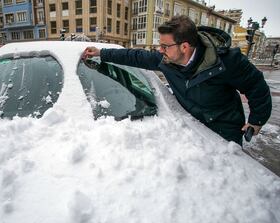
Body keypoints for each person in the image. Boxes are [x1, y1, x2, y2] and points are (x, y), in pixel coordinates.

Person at [82, 16, 272, 146]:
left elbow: (256, 85)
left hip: (224, 128)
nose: (160, 50)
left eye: (164, 46)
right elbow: (135, 56)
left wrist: (257, 120)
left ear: (185, 46)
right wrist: (101, 53)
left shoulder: (227, 61)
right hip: (192, 126)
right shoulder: (166, 60)